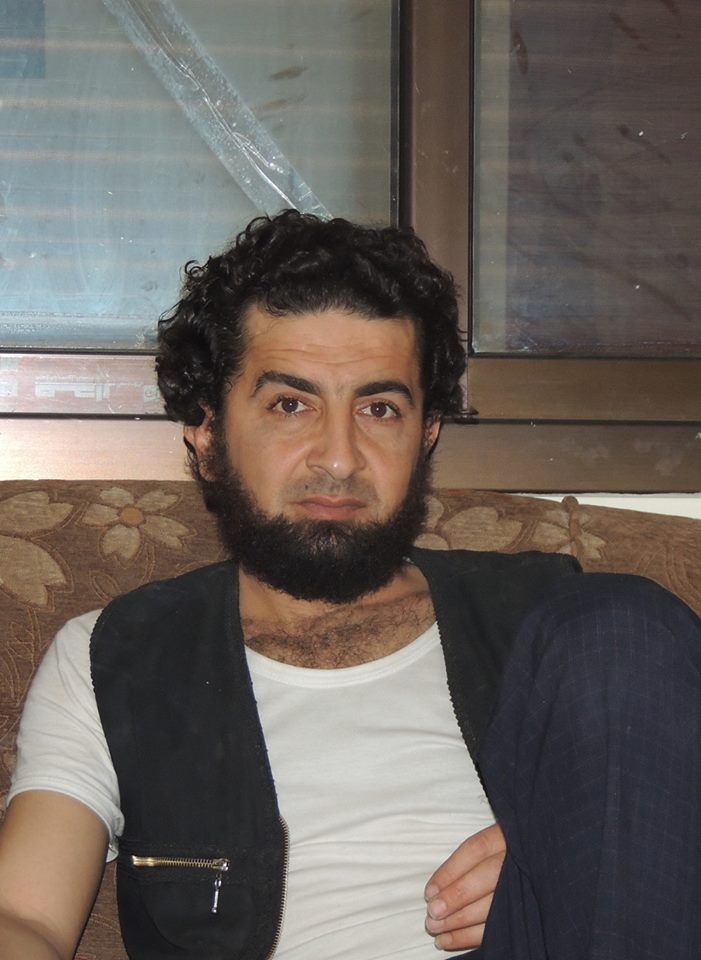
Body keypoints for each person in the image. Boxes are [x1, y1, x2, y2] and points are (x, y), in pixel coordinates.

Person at [0, 211, 699, 960]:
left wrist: (573, 855)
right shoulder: (115, 657)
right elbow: (25, 917)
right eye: (290, 405)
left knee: (623, 618)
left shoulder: (554, 629)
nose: (338, 457)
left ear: (425, 434)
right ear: (207, 433)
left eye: (378, 409)